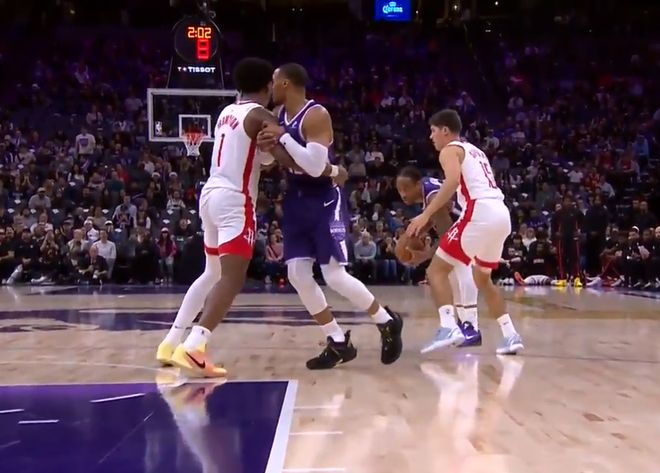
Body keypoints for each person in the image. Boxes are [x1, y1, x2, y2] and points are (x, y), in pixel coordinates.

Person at [158, 57, 345, 377]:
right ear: (268, 85)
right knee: (232, 278)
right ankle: (194, 346)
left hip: (210, 194)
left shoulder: (227, 112)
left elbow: (258, 156)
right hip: (235, 200)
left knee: (211, 273)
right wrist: (330, 170)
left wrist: (270, 152)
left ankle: (170, 341)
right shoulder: (262, 115)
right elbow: (292, 163)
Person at [257, 63, 403, 369]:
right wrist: (266, 149)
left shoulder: (316, 115)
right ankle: (337, 341)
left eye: (274, 81)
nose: (270, 86)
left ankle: (386, 321)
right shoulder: (277, 117)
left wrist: (283, 139)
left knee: (333, 275)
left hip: (324, 199)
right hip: (297, 198)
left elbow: (313, 166)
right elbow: (276, 161)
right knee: (297, 275)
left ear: (285, 83)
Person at [406, 109, 523, 355]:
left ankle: (449, 326)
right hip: (501, 214)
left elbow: (451, 182)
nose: (431, 137)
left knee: (436, 270)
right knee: (483, 279)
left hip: (479, 212)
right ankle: (510, 335)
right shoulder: (475, 151)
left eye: (433, 131)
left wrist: (425, 215)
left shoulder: (450, 150)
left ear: (445, 130)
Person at [395, 166, 482, 349]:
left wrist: (424, 255)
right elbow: (439, 220)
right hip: (471, 221)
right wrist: (416, 233)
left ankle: (470, 327)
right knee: (452, 273)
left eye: (406, 188)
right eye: (399, 189)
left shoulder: (432, 196)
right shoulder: (428, 191)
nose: (403, 194)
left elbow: (447, 234)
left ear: (418, 184)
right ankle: (463, 325)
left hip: (475, 222)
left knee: (457, 268)